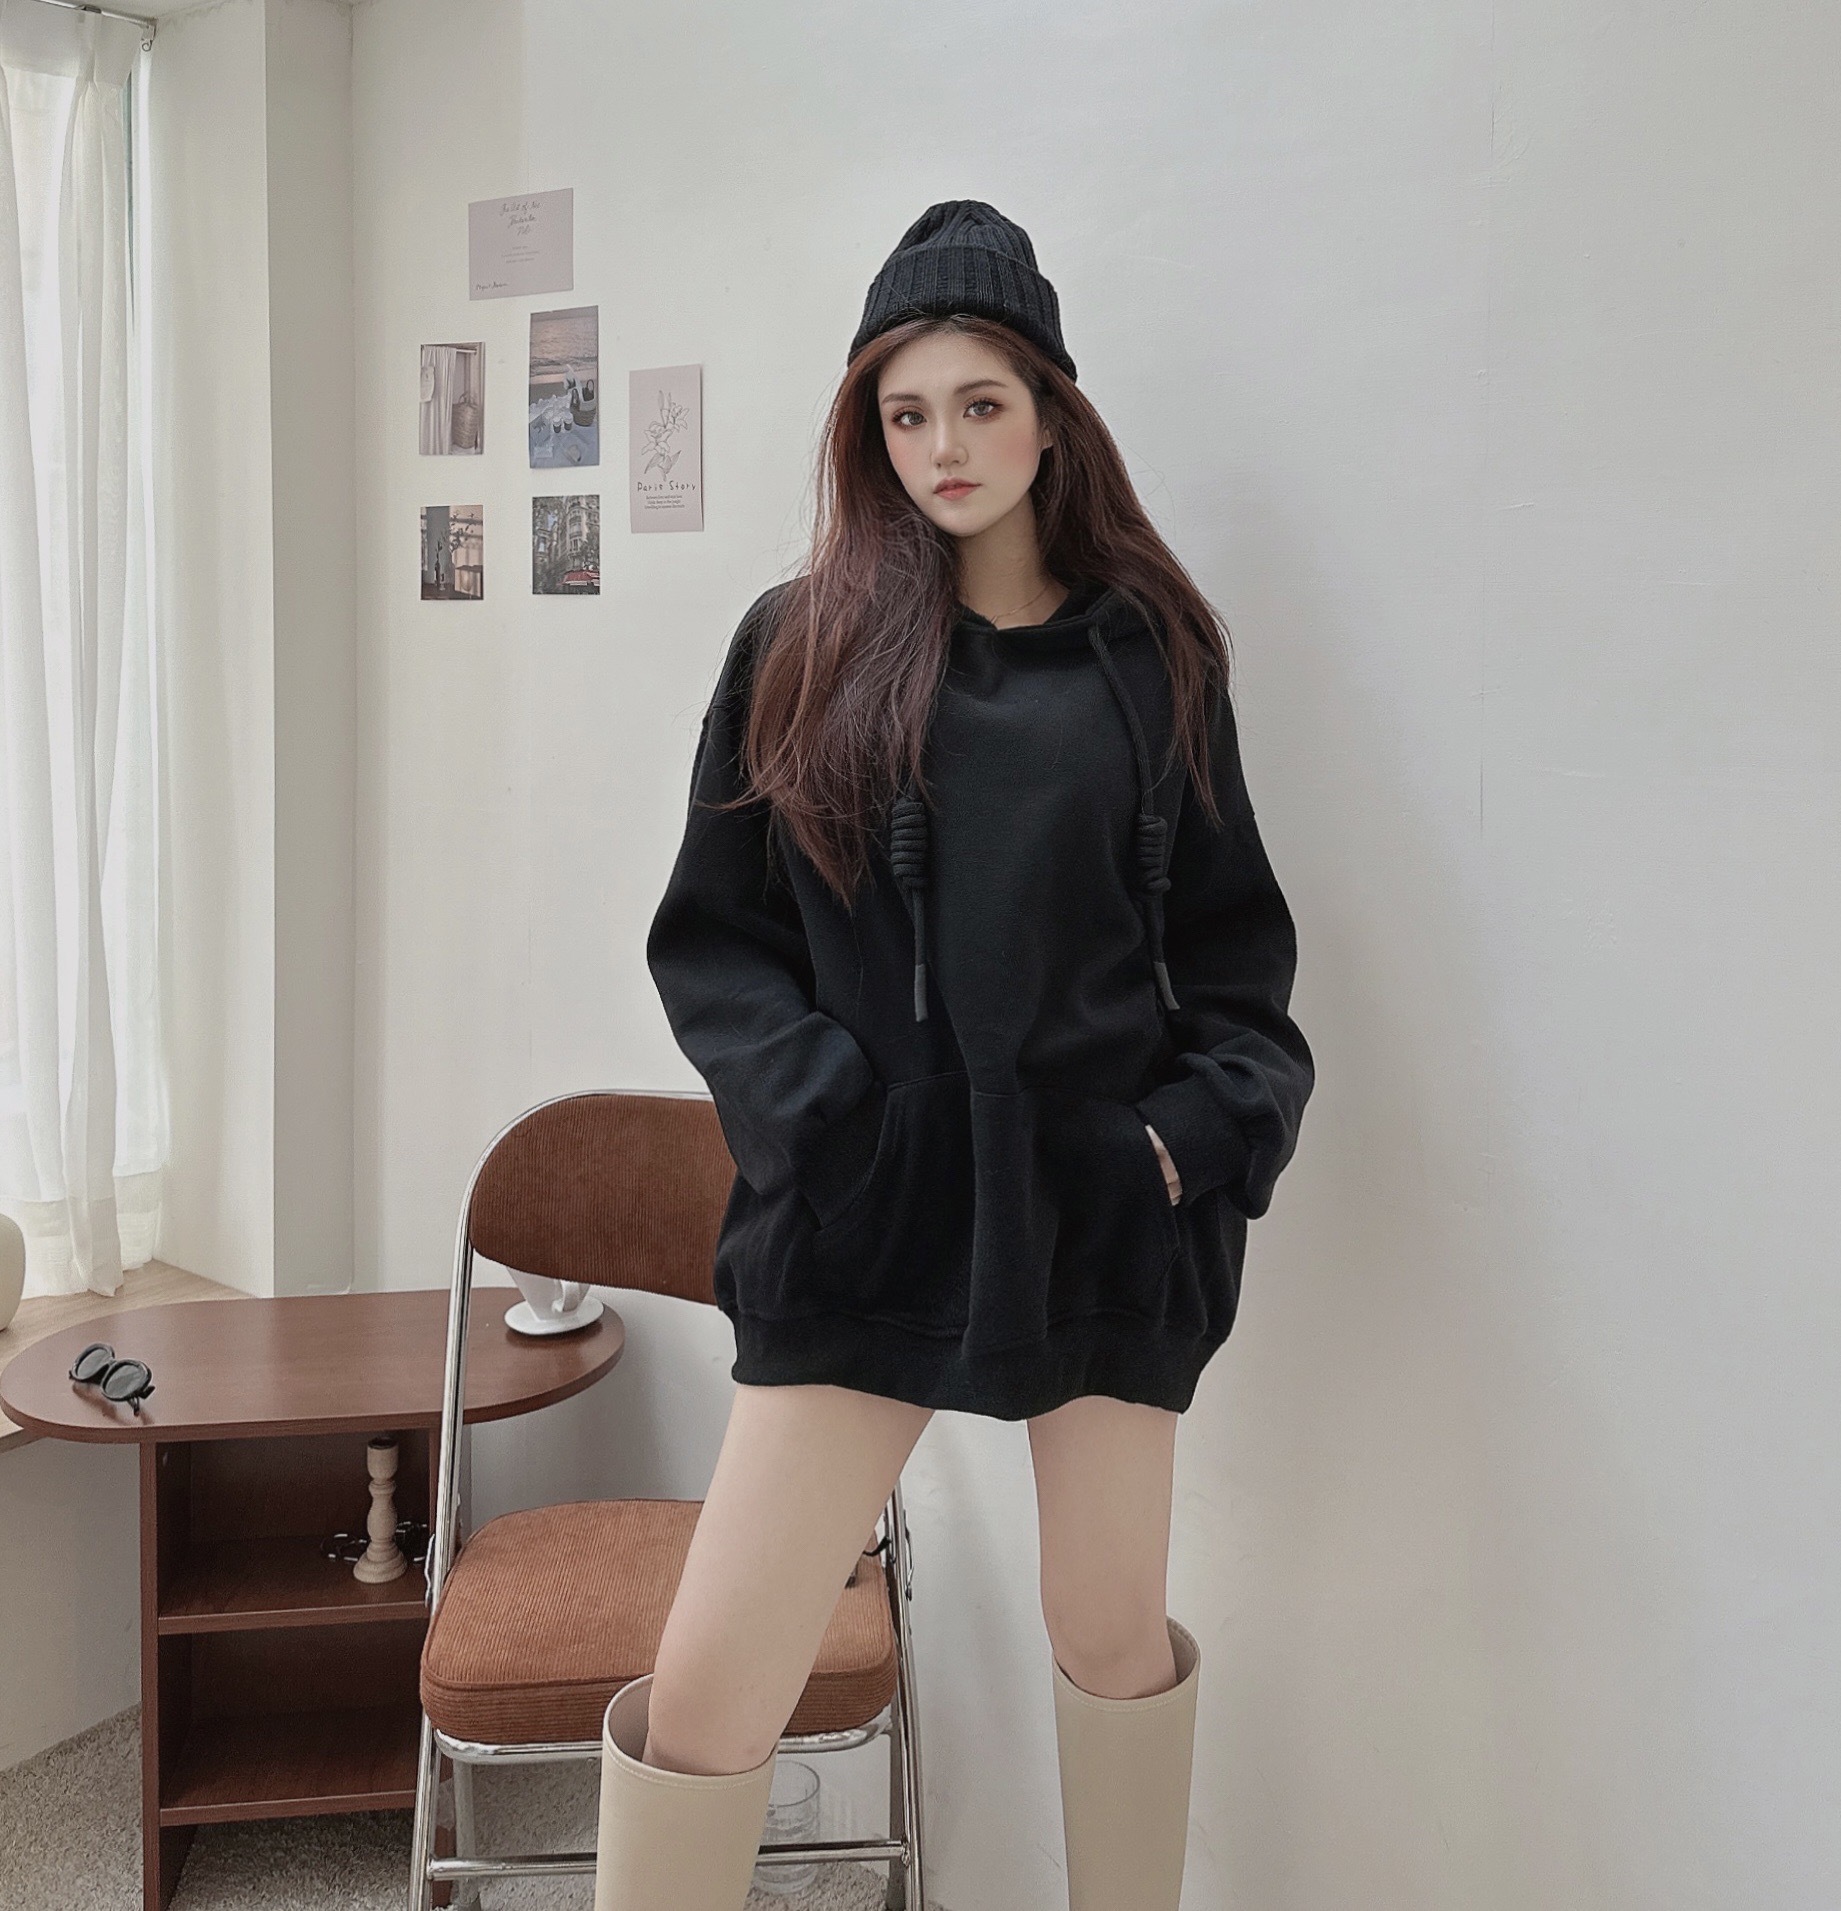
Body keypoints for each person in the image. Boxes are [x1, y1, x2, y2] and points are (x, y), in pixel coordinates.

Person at [592, 201, 1316, 1911]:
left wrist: (1172, 1149)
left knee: (1110, 1637)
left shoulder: (1156, 659)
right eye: (906, 412)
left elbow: (1237, 971)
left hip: (1096, 1213)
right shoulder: (801, 643)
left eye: (980, 404)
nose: (944, 447)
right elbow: (716, 944)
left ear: (1051, 414)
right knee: (710, 1693)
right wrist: (829, 1125)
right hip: (868, 1214)